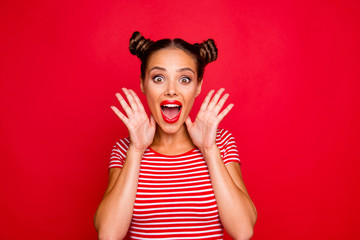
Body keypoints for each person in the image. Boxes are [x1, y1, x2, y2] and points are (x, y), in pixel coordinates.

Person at [94, 31, 257, 240]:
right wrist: (136, 150)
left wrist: (209, 150)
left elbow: (243, 231)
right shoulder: (125, 149)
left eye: (185, 79)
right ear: (143, 84)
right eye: (159, 78)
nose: (171, 90)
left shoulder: (221, 143)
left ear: (198, 86)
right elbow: (108, 234)